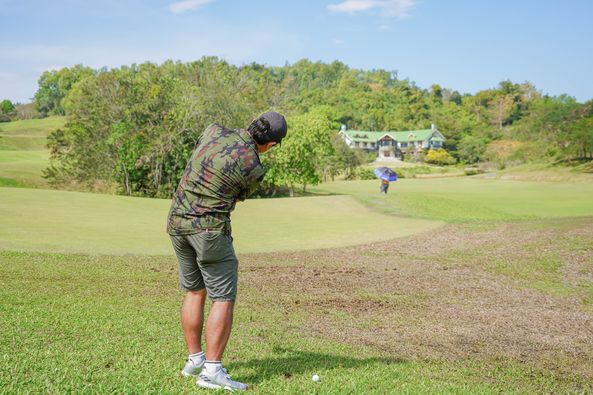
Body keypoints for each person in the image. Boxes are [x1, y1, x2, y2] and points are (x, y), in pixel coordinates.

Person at [166, 112, 287, 391]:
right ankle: (211, 371)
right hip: (210, 231)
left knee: (194, 291)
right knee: (223, 298)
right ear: (271, 145)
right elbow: (238, 196)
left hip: (176, 222)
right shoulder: (254, 167)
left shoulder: (213, 130)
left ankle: (194, 360)